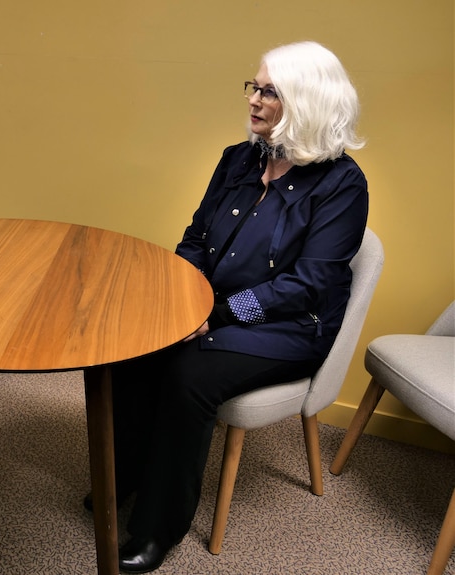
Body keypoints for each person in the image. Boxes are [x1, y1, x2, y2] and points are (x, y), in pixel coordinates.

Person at [104, 41, 369, 573]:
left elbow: (308, 284)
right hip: (212, 305)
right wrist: (184, 298)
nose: (254, 100)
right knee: (133, 346)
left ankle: (157, 529)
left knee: (188, 374)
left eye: (270, 91)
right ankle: (124, 475)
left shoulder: (343, 184)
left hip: (292, 329)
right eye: (255, 86)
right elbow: (196, 237)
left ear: (307, 103)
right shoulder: (240, 158)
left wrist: (216, 315)